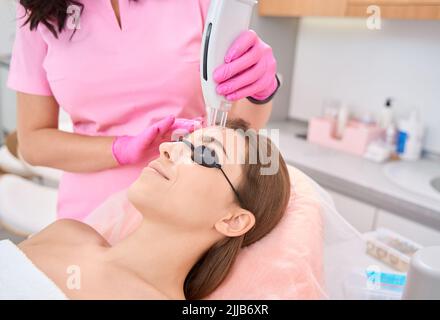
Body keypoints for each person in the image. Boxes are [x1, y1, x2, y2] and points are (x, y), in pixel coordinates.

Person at [8, 0, 280, 221]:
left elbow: (238, 127)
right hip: (88, 219)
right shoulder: (37, 8)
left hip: (187, 211)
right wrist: (119, 149)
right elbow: (33, 142)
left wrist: (259, 90)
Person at [14, 119, 290, 299]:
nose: (168, 148)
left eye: (206, 154)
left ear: (233, 221)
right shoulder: (66, 233)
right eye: (182, 142)